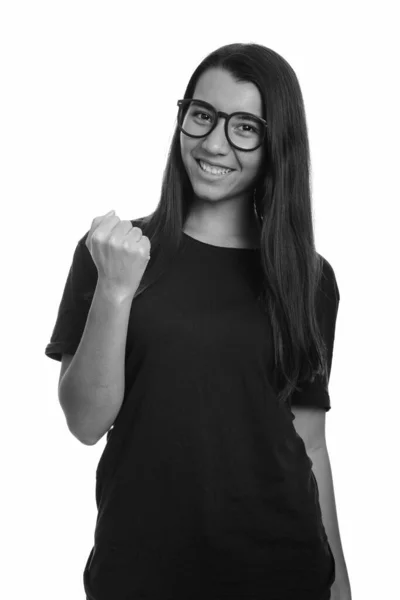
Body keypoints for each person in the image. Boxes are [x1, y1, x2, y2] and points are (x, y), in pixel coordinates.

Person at [45, 43, 345, 600]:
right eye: (202, 115)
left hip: (283, 570)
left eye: (245, 127)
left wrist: (341, 587)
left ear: (276, 143)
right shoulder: (113, 253)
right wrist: (115, 289)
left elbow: (311, 443)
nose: (213, 142)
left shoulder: (309, 279)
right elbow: (85, 422)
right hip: (141, 571)